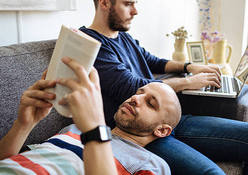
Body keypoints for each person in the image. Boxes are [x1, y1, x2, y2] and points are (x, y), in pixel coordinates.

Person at [79, 0, 248, 175]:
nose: (135, 11)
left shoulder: (122, 36)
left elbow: (153, 61)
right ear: (104, 2)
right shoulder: (91, 44)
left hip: (170, 120)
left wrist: (190, 67)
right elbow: (130, 87)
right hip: (141, 132)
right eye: (128, 4)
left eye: (135, 4)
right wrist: (188, 82)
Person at [0, 57, 181, 175]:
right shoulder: (73, 129)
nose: (135, 98)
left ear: (162, 130)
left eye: (150, 103)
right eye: (138, 92)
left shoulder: (151, 165)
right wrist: (24, 125)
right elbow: (10, 164)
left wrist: (95, 130)